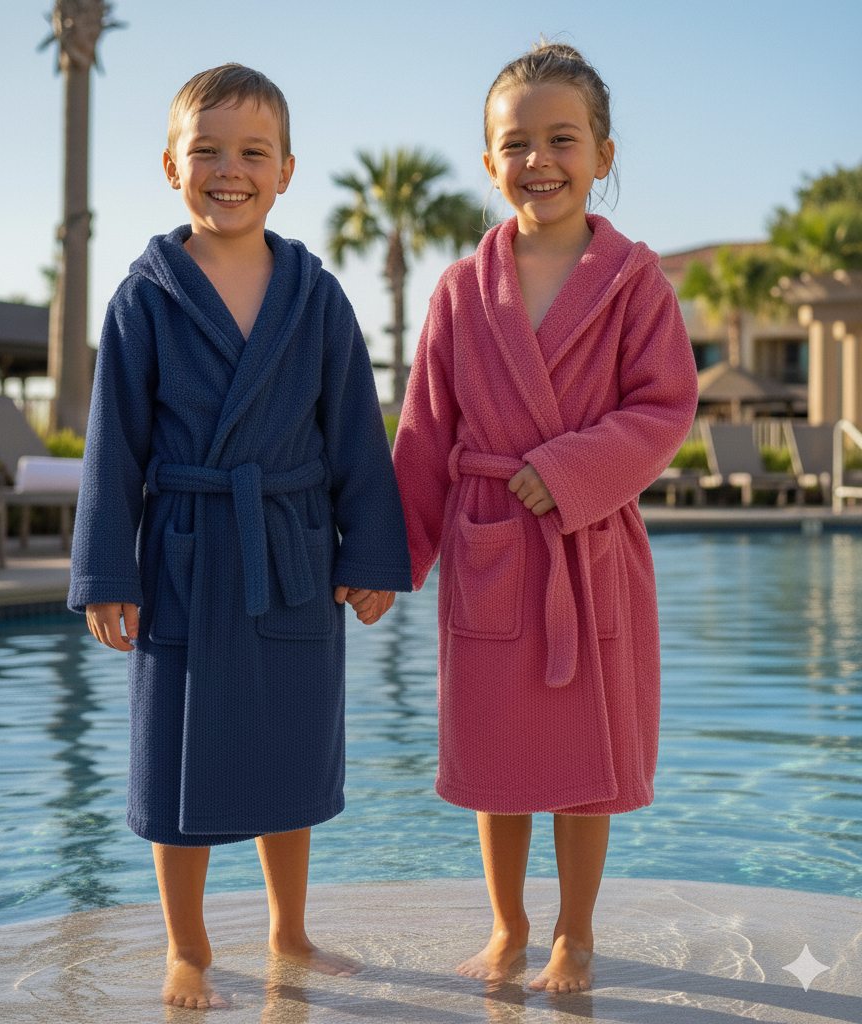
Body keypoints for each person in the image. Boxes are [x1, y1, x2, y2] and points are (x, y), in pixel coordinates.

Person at [68, 63, 410, 1010]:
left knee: (286, 749)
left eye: (252, 152)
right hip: (185, 550)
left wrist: (371, 551)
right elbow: (113, 445)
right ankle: (188, 944)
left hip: (291, 552)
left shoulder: (317, 296)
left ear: (287, 170)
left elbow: (354, 429)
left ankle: (289, 930)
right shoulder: (145, 297)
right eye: (207, 151)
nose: (230, 170)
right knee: (178, 756)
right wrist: (106, 570)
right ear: (171, 164)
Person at [392, 40, 699, 993]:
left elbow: (665, 406)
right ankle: (509, 925)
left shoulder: (636, 282)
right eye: (516, 143)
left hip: (587, 547)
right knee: (496, 755)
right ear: (490, 163)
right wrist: (386, 556)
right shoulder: (458, 291)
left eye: (563, 138)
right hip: (491, 548)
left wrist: (568, 470)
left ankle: (574, 931)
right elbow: (424, 432)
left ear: (603, 154)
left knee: (583, 762)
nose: (540, 160)